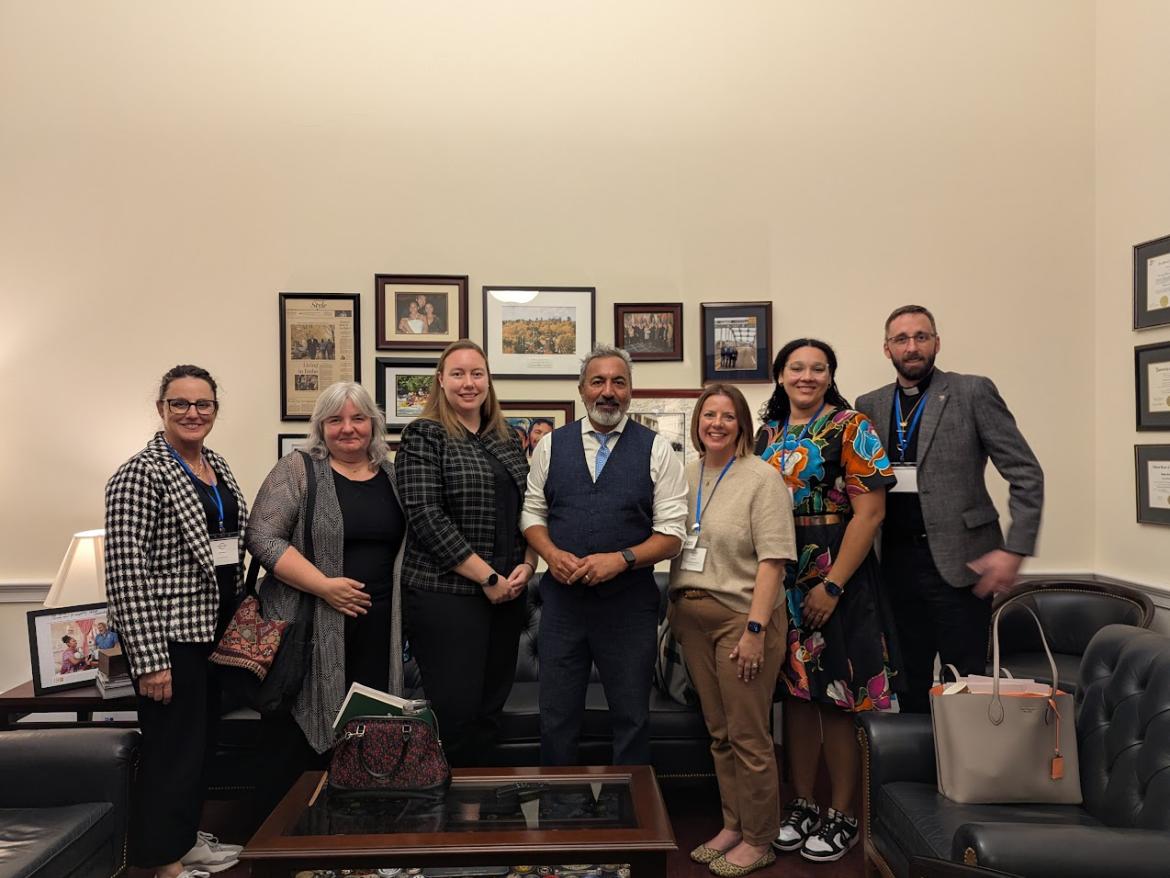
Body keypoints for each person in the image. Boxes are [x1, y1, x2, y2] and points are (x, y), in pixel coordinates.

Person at [856, 305, 1043, 714]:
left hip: (961, 565)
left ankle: (963, 777)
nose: (912, 347)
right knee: (907, 684)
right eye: (901, 339)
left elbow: (1027, 473)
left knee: (966, 686)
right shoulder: (868, 405)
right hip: (893, 566)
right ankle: (918, 775)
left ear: (937, 343)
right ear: (887, 349)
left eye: (921, 337)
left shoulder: (972, 392)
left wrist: (1014, 549)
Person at [756, 339, 899, 863]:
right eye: (797, 367)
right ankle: (803, 804)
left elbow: (871, 514)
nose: (807, 376)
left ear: (830, 375)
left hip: (836, 571)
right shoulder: (767, 433)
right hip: (781, 572)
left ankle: (841, 814)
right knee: (795, 695)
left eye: (819, 368)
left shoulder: (851, 425)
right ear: (780, 375)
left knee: (837, 696)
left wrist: (833, 585)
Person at [104, 364, 247, 878]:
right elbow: (125, 573)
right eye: (180, 404)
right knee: (170, 752)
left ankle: (183, 839)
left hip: (215, 633)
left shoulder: (217, 466)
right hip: (171, 640)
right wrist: (149, 661)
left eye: (203, 404)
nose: (193, 413)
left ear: (215, 410)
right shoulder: (139, 474)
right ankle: (163, 859)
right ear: (161, 408)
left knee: (200, 747)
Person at [522, 344, 687, 766]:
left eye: (619, 382)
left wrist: (621, 559)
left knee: (631, 719)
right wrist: (551, 554)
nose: (608, 391)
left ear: (631, 391)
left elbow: (672, 535)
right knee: (557, 718)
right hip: (563, 605)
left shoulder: (657, 450)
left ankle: (632, 822)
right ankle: (561, 818)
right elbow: (532, 514)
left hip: (629, 608)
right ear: (582, 389)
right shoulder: (550, 447)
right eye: (598, 381)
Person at [246, 381, 406, 810]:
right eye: (335, 420)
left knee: (369, 735)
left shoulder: (392, 475)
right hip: (310, 630)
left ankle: (359, 838)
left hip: (379, 631)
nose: (348, 429)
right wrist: (325, 587)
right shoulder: (298, 469)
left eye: (358, 419)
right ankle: (291, 845)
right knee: (297, 750)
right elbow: (262, 536)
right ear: (320, 426)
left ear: (374, 424)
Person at [669, 384, 795, 876]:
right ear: (697, 422)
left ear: (742, 424)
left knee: (748, 735)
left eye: (727, 416)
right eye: (708, 415)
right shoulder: (688, 473)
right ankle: (733, 825)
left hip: (742, 618)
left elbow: (773, 562)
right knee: (719, 734)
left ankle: (760, 838)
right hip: (692, 620)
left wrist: (756, 630)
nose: (716, 424)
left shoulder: (762, 478)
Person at [395, 340, 537, 767]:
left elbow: (531, 506)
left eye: (477, 373)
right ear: (440, 380)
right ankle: (449, 820)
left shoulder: (506, 439)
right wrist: (488, 578)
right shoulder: (424, 435)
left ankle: (482, 814)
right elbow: (426, 517)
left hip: (507, 597)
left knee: (489, 712)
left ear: (488, 380)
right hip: (446, 597)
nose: (468, 382)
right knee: (455, 714)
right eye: (457, 373)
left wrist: (527, 567)